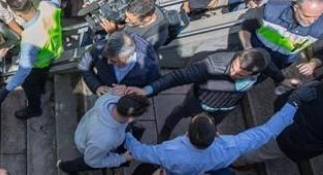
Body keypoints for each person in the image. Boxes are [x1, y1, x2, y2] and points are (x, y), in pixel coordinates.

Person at [126, 83, 318, 175]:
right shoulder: (232, 146)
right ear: (216, 134)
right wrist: (293, 102)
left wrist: (125, 131)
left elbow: (138, 151)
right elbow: (268, 131)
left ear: (188, 133)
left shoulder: (168, 152)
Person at [118, 48, 287, 142]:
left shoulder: (262, 60)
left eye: (240, 73)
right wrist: (147, 90)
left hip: (225, 108)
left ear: (252, 73)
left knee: (207, 128)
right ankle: (166, 131)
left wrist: (282, 80)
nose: (232, 72)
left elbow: (272, 68)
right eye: (233, 67)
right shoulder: (212, 65)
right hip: (199, 101)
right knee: (179, 112)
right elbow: (178, 77)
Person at [0, 0, 62, 119]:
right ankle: (41, 88)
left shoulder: (30, 38)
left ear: (17, 13)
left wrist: (5, 91)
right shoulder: (47, 6)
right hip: (54, 51)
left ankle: (34, 109)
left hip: (38, 63)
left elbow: (23, 71)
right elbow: (57, 1)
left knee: (29, 83)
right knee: (42, 75)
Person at [56, 93, 150, 173]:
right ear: (130, 118)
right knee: (85, 162)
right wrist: (122, 158)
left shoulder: (111, 97)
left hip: (85, 129)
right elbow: (91, 161)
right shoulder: (105, 140)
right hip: (89, 146)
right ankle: (65, 167)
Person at [236, 81, 323, 166]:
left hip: (295, 134)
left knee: (259, 150)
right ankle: (236, 160)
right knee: (262, 149)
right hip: (297, 132)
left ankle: (234, 160)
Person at [238, 0, 322, 70]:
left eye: (316, 16)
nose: (312, 21)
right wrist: (247, 47)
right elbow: (246, 23)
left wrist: (313, 64)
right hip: (252, 56)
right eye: (307, 16)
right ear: (296, 8)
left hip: (279, 65)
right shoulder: (271, 11)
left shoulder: (320, 26)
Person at [79, 31, 160, 97]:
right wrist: (96, 87)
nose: (108, 62)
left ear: (127, 57)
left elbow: (154, 88)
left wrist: (129, 91)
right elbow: (83, 65)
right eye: (107, 57)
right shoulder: (97, 48)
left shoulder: (150, 65)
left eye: (114, 60)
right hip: (104, 95)